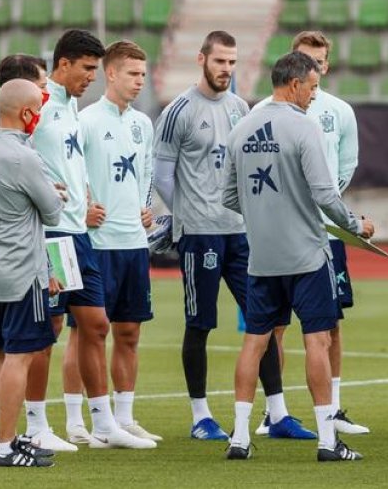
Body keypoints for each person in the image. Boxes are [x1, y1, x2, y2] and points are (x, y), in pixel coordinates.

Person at [221, 51, 376, 462]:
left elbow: (228, 196)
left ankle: (238, 437)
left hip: (262, 258)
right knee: (317, 340)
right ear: (293, 84)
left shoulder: (241, 129)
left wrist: (264, 215)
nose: (313, 95)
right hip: (307, 255)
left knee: (254, 342)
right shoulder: (304, 128)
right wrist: (356, 226)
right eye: (311, 86)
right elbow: (325, 194)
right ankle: (328, 440)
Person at [153, 31, 305, 441]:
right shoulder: (178, 111)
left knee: (264, 320)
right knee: (199, 324)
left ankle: (277, 414)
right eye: (220, 61)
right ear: (201, 59)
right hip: (199, 235)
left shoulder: (241, 108)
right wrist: (185, 215)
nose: (226, 69)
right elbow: (162, 175)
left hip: (240, 233)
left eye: (232, 62)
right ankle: (201, 416)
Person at [33, 30, 151, 450]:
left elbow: (69, 165)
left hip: (77, 235)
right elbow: (15, 150)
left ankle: (104, 424)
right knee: (50, 327)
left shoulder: (69, 107)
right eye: (86, 69)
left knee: (95, 324)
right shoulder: (40, 102)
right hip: (54, 235)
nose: (91, 77)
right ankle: (37, 425)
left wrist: (82, 202)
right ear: (63, 64)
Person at [254, 31, 368, 437]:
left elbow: (346, 164)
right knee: (274, 326)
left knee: (330, 323)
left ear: (327, 65)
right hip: (283, 232)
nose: (312, 68)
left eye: (318, 62)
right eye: (305, 60)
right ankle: (276, 410)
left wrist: (323, 203)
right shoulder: (267, 111)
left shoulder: (339, 111)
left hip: (327, 232)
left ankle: (332, 409)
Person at [0, 54, 77, 452]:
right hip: (23, 268)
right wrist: (51, 192)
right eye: (41, 89)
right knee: (21, 355)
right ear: (26, 108)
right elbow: (51, 210)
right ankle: (6, 444)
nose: (47, 96)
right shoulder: (22, 153)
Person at [78, 41, 162, 445]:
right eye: (132, 74)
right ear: (110, 74)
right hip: (96, 243)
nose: (139, 81)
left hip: (133, 242)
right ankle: (78, 421)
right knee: (87, 333)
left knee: (129, 332)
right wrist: (83, 209)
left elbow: (146, 173)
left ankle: (124, 418)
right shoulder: (86, 120)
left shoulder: (143, 123)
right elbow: (72, 172)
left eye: (143, 75)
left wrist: (146, 208)